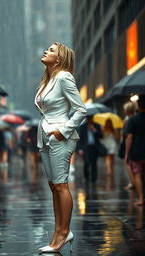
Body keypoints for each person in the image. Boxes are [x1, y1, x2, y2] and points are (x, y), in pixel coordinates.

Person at [35, 42, 87, 253]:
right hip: (44, 137)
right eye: (47, 48)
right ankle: (59, 232)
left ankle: (63, 233)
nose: (46, 51)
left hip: (60, 137)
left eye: (52, 50)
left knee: (61, 185)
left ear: (59, 58)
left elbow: (81, 110)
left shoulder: (64, 77)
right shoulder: (48, 80)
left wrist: (62, 131)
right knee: (53, 186)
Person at [125, 95, 145, 206]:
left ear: (138, 105)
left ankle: (141, 198)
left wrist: (127, 154)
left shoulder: (133, 120)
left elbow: (129, 137)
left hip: (136, 152)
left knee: (137, 174)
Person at [77, 116, 103, 184]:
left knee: (94, 163)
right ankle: (87, 177)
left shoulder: (96, 125)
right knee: (86, 163)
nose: (89, 120)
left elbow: (101, 136)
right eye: (88, 118)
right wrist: (80, 149)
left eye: (90, 118)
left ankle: (93, 179)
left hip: (94, 147)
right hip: (86, 148)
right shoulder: (82, 127)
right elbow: (79, 139)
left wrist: (94, 130)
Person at [119, 102, 136, 190]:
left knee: (128, 162)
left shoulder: (128, 120)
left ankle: (133, 182)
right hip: (135, 144)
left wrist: (122, 131)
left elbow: (126, 134)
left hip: (128, 144)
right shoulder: (135, 117)